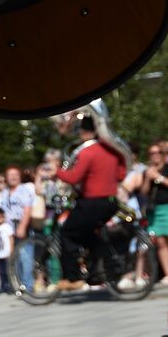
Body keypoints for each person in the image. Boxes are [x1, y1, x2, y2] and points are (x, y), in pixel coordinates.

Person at [55, 117, 125, 292]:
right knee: (88, 234)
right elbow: (121, 174)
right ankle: (95, 271)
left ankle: (73, 277)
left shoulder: (87, 152)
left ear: (85, 133)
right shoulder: (113, 150)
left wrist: (56, 171)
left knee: (68, 233)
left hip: (92, 203)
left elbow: (73, 178)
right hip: (111, 202)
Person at [139, 141, 168, 284]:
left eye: (157, 152)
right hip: (156, 210)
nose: (155, 156)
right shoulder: (148, 171)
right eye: (152, 153)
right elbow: (144, 192)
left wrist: (158, 177)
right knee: (160, 242)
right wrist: (148, 177)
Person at [0, 165, 37, 290]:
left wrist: (23, 226)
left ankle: (28, 286)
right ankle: (19, 285)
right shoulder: (4, 193)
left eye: (15, 174)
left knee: (26, 257)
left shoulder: (23, 190)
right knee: (15, 259)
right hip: (8, 231)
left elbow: (27, 209)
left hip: (21, 226)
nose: (13, 177)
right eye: (10, 175)